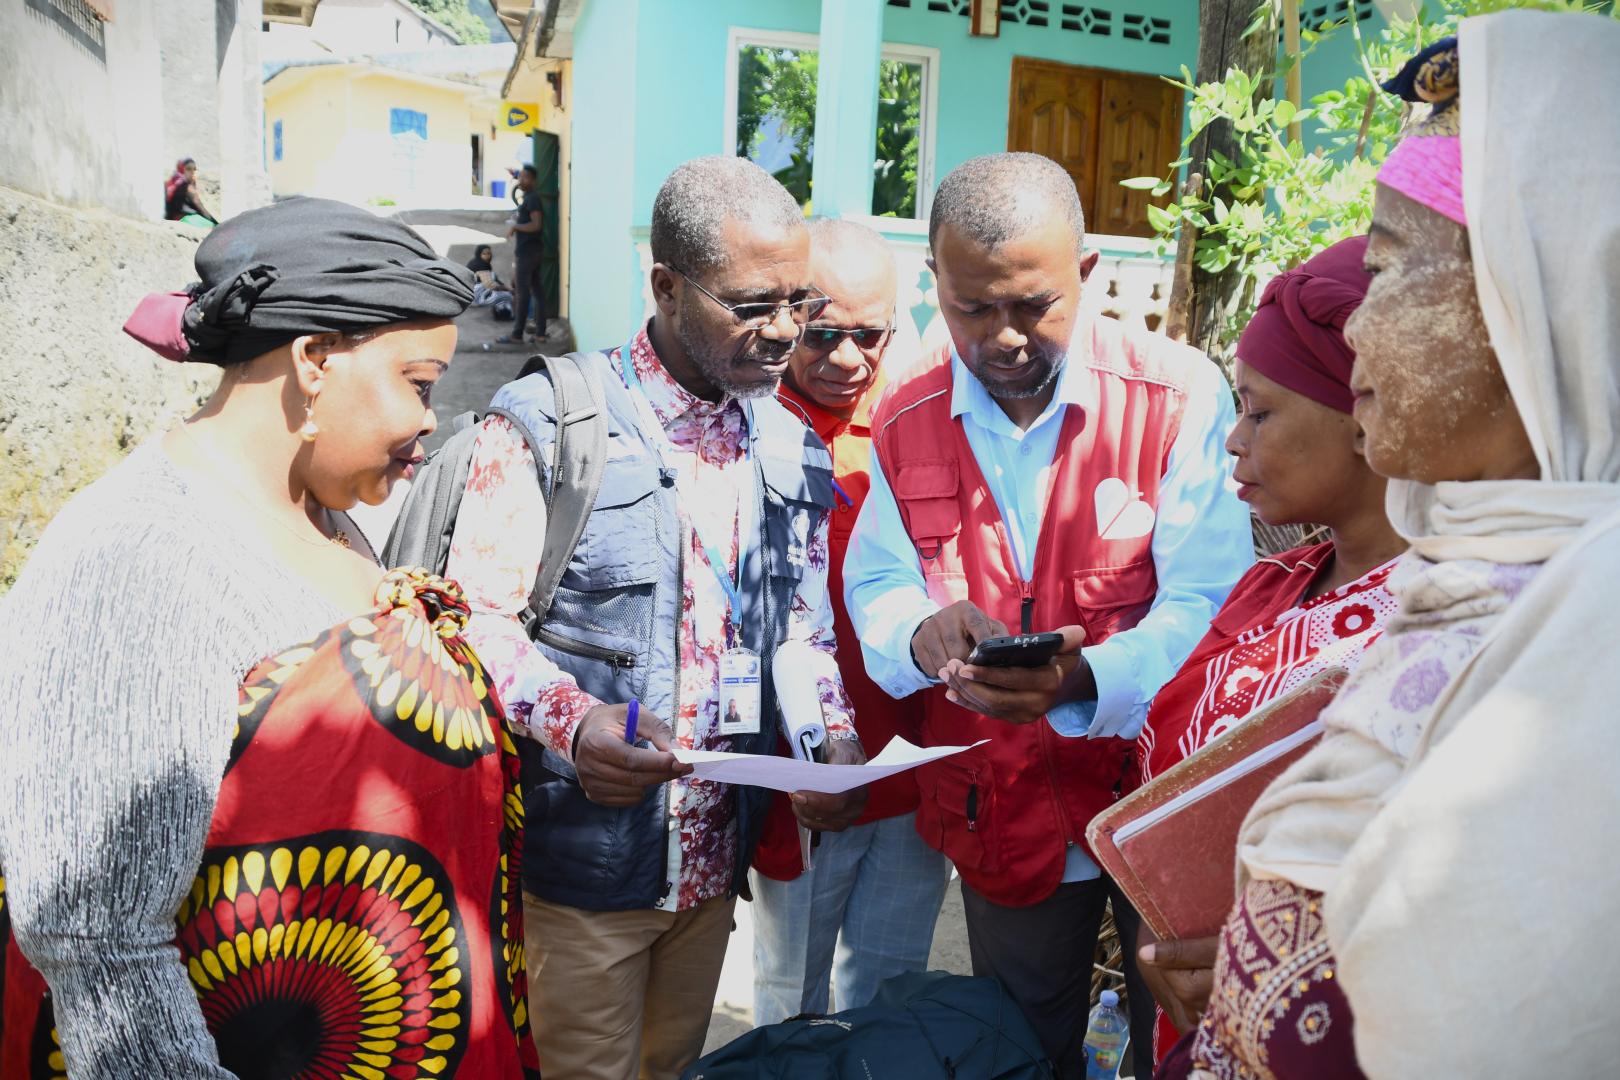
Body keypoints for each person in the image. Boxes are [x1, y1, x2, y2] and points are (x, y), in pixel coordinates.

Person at [1160, 13, 1620, 1075]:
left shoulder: (1590, 647)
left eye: (1399, 268)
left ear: (1542, 305)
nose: (1359, 325)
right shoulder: (1472, 591)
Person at [0, 197, 540, 1078]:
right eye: (418, 383)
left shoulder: (324, 515)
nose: (427, 423)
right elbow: (97, 940)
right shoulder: (135, 564)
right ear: (315, 360)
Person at [444, 155, 867, 1080]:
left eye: (800, 303)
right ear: (667, 285)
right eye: (754, 304)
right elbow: (473, 618)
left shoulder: (789, 441)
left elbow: (799, 627)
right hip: (583, 870)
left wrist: (828, 738)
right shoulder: (553, 423)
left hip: (716, 868)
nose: (785, 332)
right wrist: (576, 721)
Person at [843, 152, 1254, 1076]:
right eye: (971, 308)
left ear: (1089, 275)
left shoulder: (1178, 397)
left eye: (1033, 306)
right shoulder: (906, 408)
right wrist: (920, 630)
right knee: (1022, 1054)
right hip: (1004, 813)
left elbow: (1213, 605)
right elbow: (876, 582)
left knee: (1187, 1047)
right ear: (935, 285)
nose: (1004, 339)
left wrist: (1082, 682)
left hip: (1160, 806)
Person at [1130, 235, 1406, 1064]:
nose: (1233, 440)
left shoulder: (1440, 622)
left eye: (1260, 411)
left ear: (1364, 412)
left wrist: (1278, 964)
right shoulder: (1275, 582)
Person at [749, 219, 952, 1026]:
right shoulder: (743, 429)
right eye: (823, 332)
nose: (846, 359)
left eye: (868, 336)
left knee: (888, 995)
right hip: (799, 782)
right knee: (787, 1001)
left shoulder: (921, 427)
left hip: (912, 766)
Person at [498, 164, 547, 345]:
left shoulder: (533, 199)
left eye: (526, 177)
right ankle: (540, 333)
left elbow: (536, 225)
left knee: (522, 292)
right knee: (538, 292)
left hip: (529, 252)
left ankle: (517, 334)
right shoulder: (528, 198)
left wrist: (515, 226)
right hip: (532, 251)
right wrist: (517, 224)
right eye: (521, 177)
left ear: (533, 180)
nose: (521, 180)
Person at [164, 157, 217, 226]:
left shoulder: (170, 183)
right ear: (182, 169)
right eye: (188, 169)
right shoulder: (188, 187)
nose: (192, 172)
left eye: (194, 169)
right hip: (187, 220)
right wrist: (216, 224)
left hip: (172, 219)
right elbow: (201, 209)